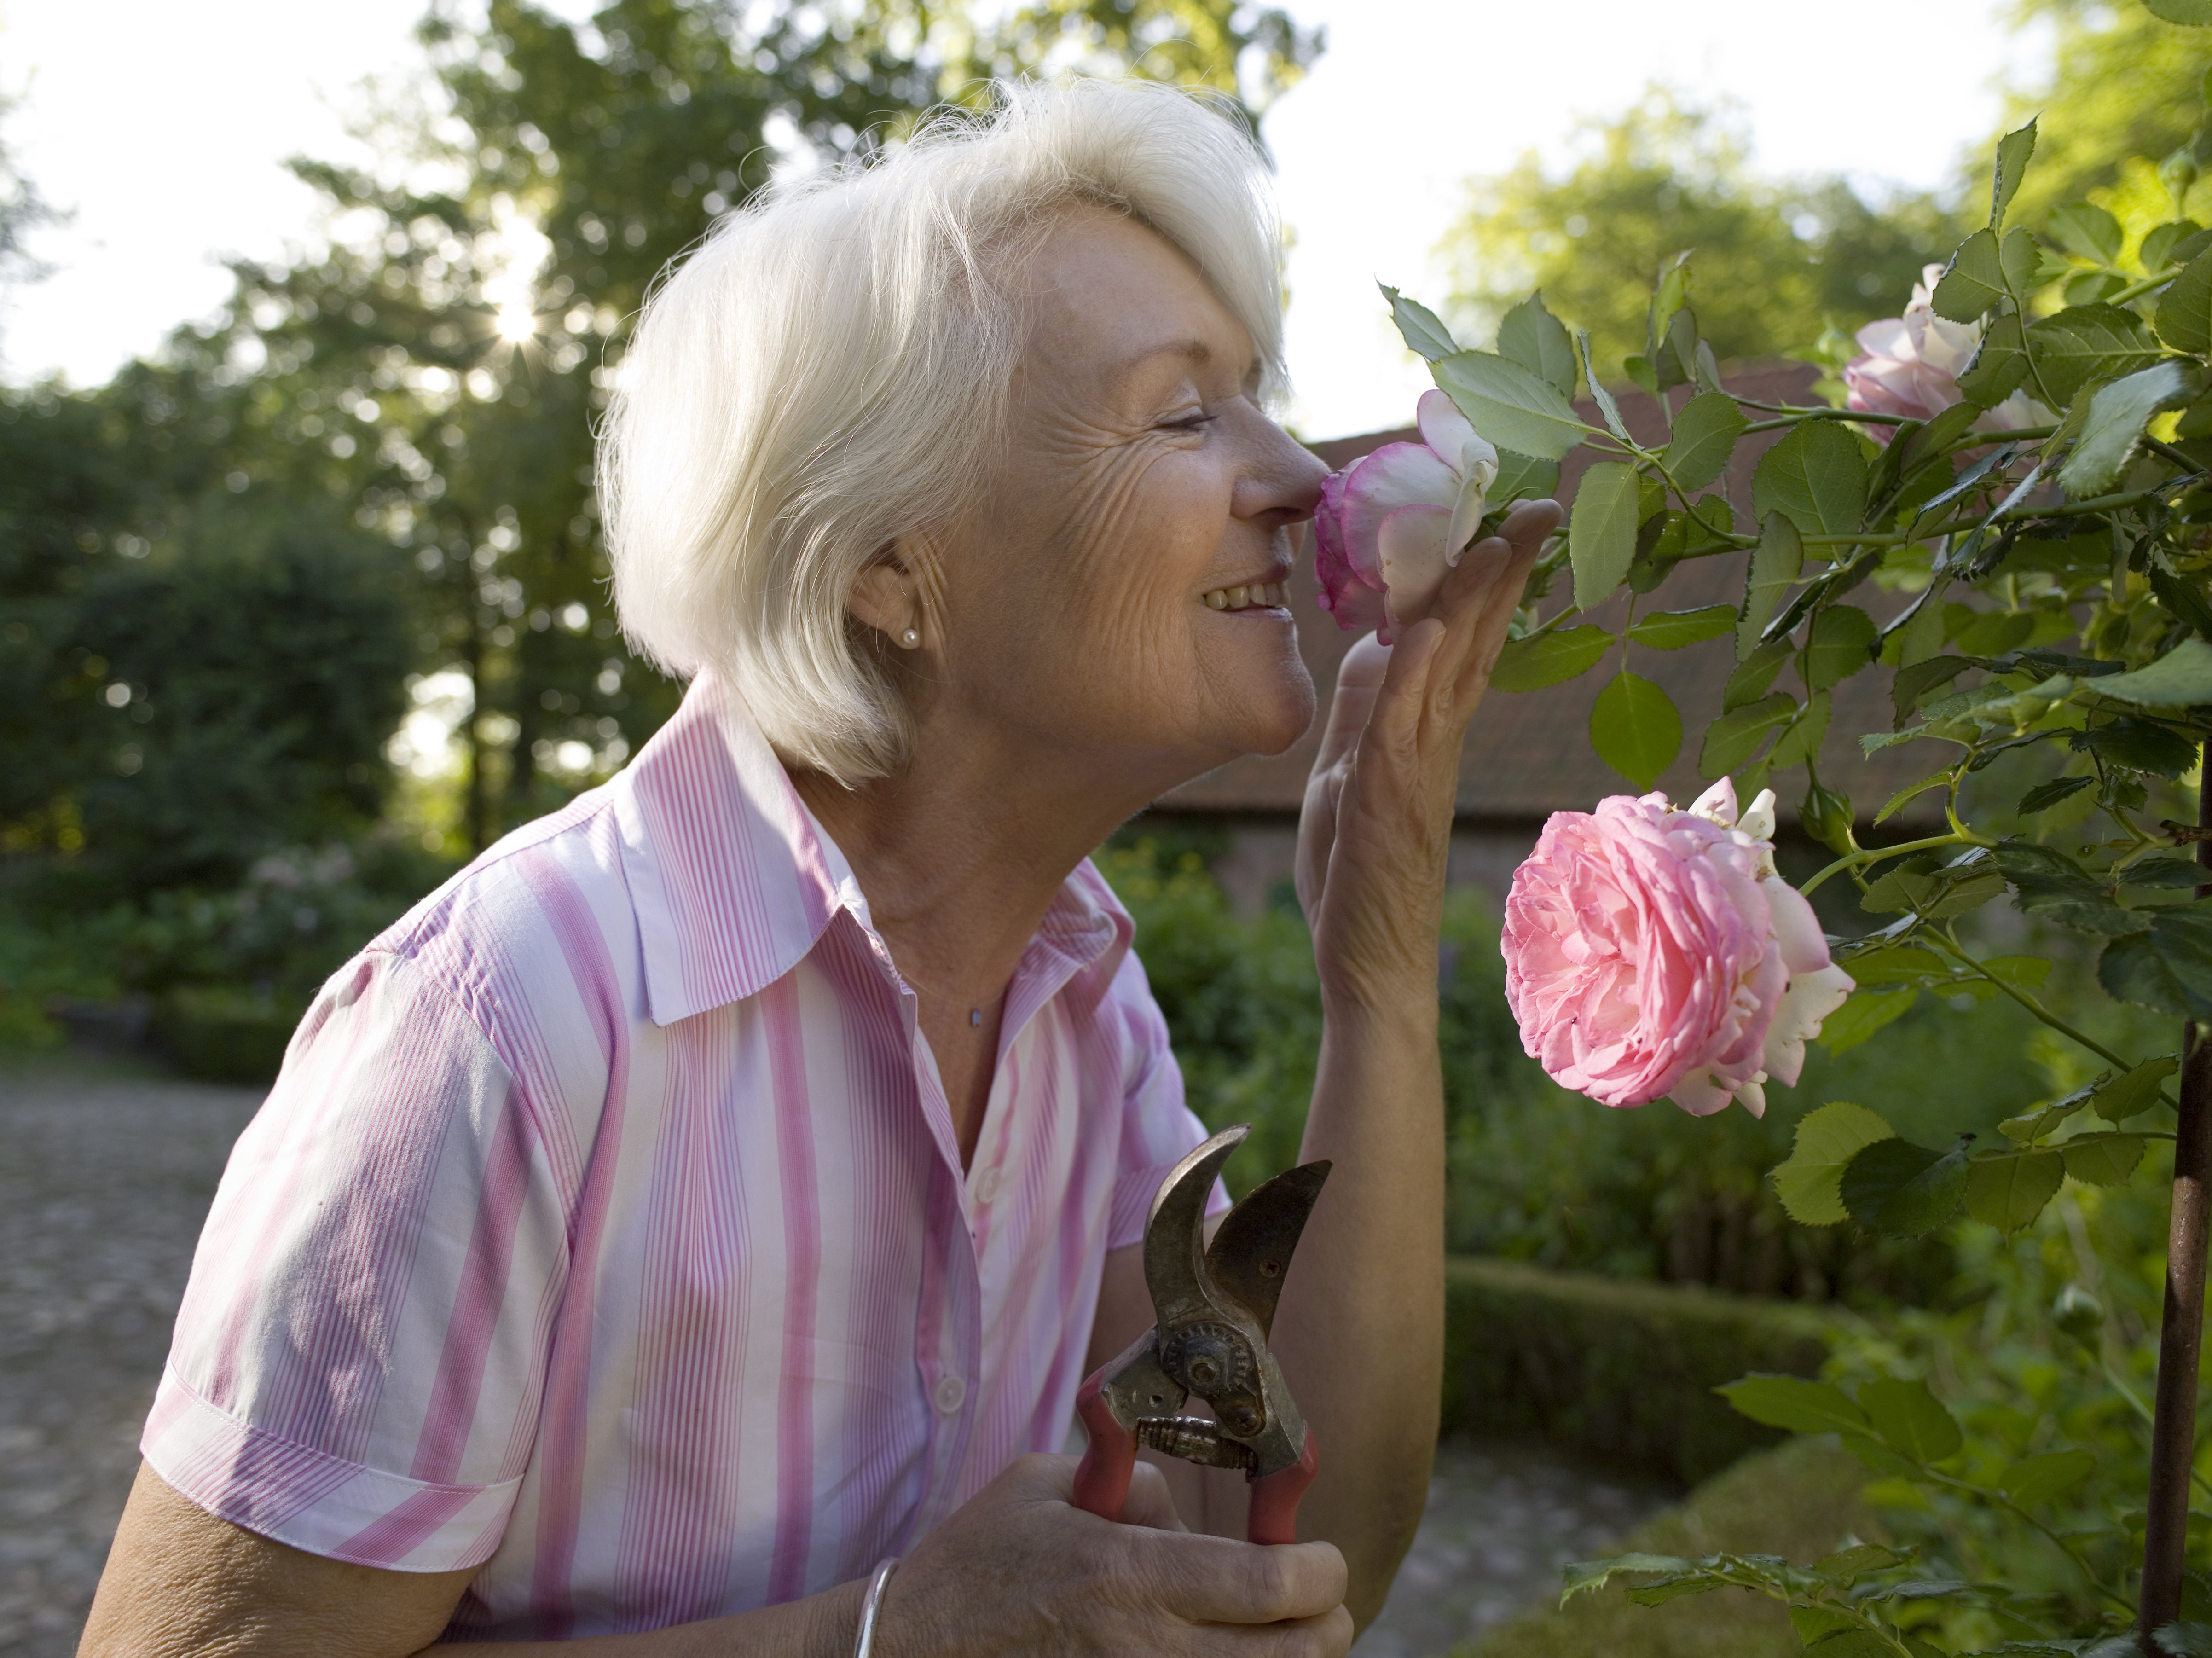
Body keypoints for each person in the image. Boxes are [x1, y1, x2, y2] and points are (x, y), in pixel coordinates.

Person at [80, 77, 1558, 1656]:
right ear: (887, 568)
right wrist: (878, 1639)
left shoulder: (1083, 1010)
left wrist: (1381, 973)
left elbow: (1290, 1548)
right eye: (1188, 412)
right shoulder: (502, 1018)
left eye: (1258, 397)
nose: (1305, 478)